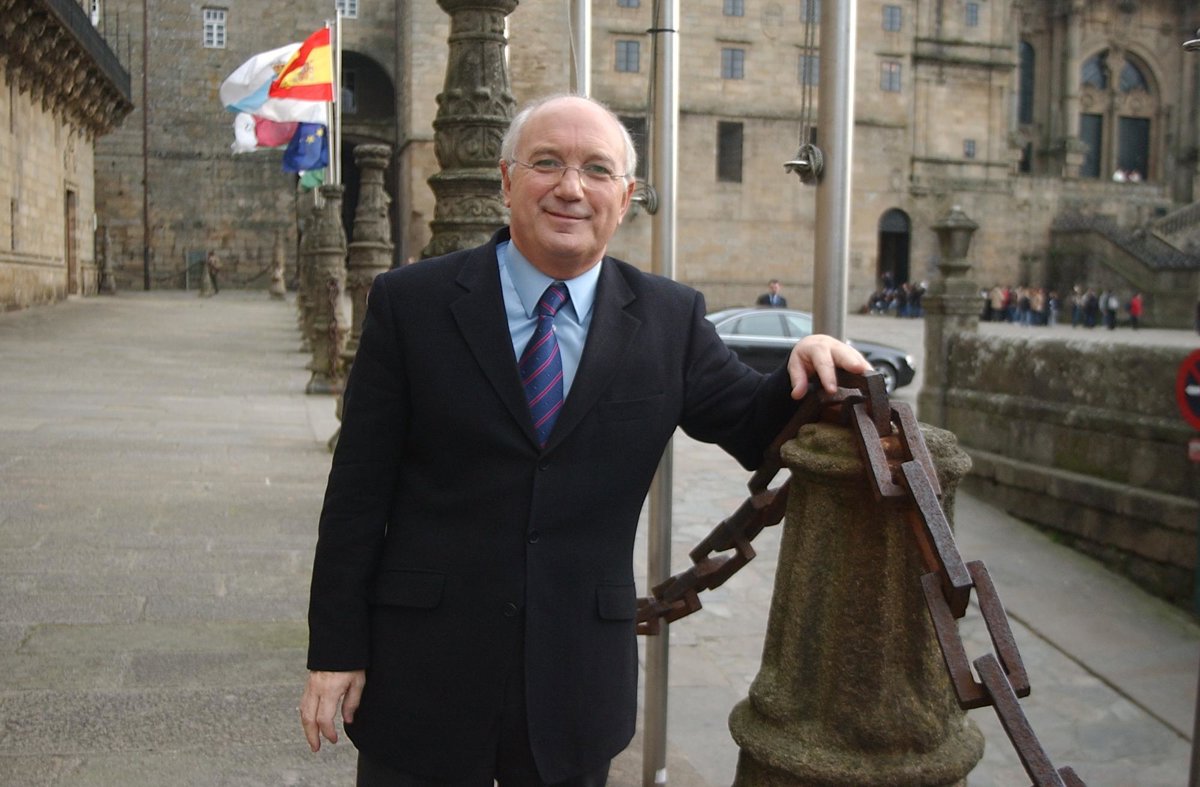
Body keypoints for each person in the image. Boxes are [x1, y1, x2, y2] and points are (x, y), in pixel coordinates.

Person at [299, 94, 869, 787]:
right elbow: (357, 496)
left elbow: (753, 426)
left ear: (624, 198)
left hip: (574, 683)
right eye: (547, 163)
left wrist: (804, 364)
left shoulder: (670, 319)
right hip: (423, 673)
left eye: (597, 170)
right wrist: (335, 649)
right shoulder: (411, 303)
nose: (571, 187)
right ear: (506, 180)